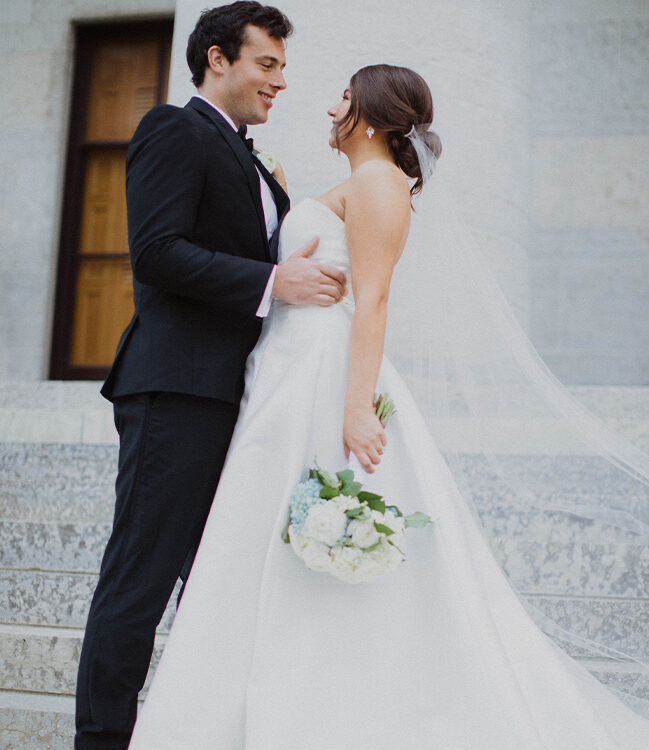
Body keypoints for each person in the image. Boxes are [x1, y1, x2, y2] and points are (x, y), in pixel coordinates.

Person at [126, 63, 649, 749]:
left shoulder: (381, 184)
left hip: (323, 373)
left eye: (343, 95)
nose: (329, 105)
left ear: (368, 114)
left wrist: (357, 407)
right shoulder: (354, 182)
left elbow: (373, 301)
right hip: (280, 368)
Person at [74, 4, 350, 748]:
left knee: (214, 583)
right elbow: (156, 252)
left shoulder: (249, 155)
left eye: (283, 67)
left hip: (239, 397)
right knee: (140, 579)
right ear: (218, 59)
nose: (281, 81)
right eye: (267, 63)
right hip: (176, 390)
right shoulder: (172, 128)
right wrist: (274, 282)